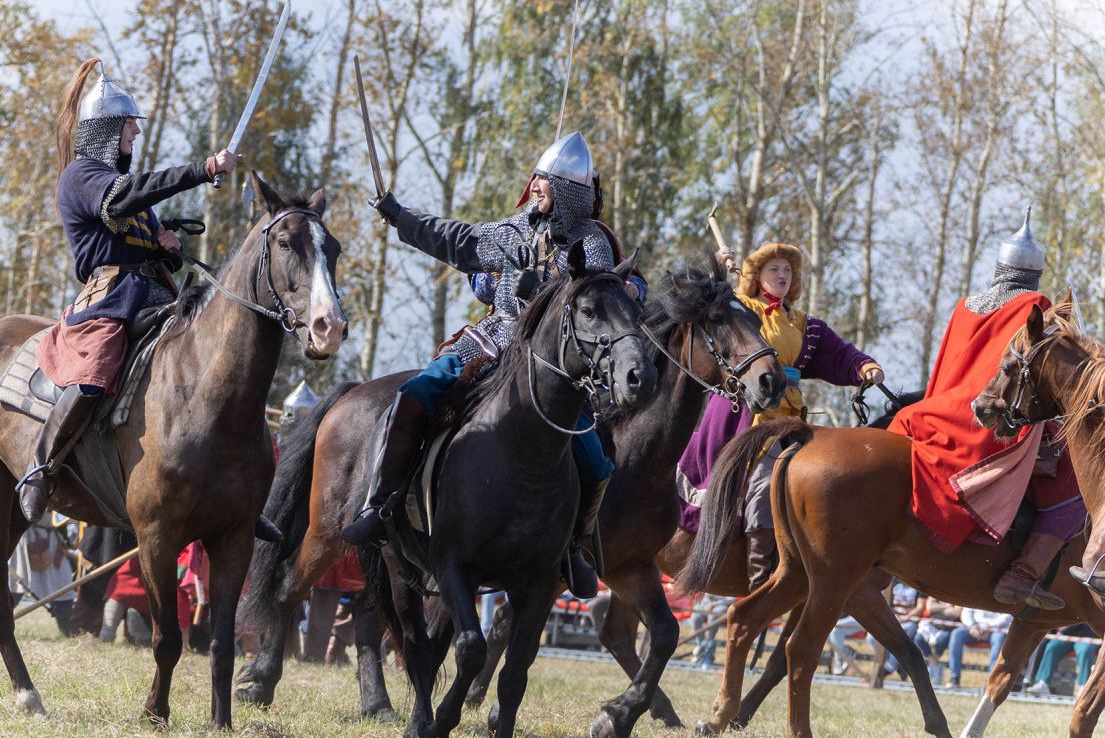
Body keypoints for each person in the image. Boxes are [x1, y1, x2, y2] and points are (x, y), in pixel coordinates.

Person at [341, 131, 642, 599]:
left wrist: (543, 285)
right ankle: (381, 504)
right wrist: (400, 216)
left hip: (551, 366)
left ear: (569, 191)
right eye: (538, 176)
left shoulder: (593, 243)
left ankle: (574, 547)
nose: (536, 184)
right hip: (494, 338)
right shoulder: (514, 230)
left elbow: (621, 291)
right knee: (414, 394)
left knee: (598, 463)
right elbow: (455, 239)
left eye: (546, 179)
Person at [16, 57, 238, 523]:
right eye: (128, 127)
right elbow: (128, 196)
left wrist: (169, 246)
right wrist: (202, 168)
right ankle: (42, 466)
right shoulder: (81, 178)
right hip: (110, 299)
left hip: (158, 295)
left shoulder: (126, 193)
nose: (134, 134)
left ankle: (233, 481)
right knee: (97, 368)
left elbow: (145, 236)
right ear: (106, 129)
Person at [889, 210, 1086, 610]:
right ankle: (1024, 574)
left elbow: (945, 368)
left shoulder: (966, 304)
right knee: (1072, 483)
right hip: (992, 419)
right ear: (1035, 274)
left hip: (939, 411)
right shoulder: (1036, 303)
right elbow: (1036, 372)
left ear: (999, 267)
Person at [677, 242, 884, 590]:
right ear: (757, 276)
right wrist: (717, 271)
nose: (783, 275)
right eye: (775, 269)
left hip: (790, 419)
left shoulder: (803, 324)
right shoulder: (739, 310)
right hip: (745, 417)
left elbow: (838, 353)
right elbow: (703, 309)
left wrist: (864, 366)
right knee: (764, 484)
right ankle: (760, 575)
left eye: (787, 270)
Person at [1025, 624, 1100, 696]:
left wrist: (1062, 632)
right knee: (1052, 647)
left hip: (1088, 635)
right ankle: (1043, 683)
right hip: (1068, 635)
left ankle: (1083, 687)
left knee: (1085, 650)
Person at [947, 608, 1011, 688]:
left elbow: (1009, 615)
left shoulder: (1003, 595)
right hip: (973, 628)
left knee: (999, 639)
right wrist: (972, 626)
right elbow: (966, 611)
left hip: (995, 629)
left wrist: (989, 627)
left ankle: (991, 680)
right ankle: (954, 677)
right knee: (956, 634)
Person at [913, 598, 962, 685]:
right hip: (932, 626)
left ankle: (933, 668)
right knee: (918, 639)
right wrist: (947, 607)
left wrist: (938, 608)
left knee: (942, 639)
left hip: (948, 628)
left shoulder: (958, 592)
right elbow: (929, 607)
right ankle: (935, 664)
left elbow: (957, 612)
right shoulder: (938, 590)